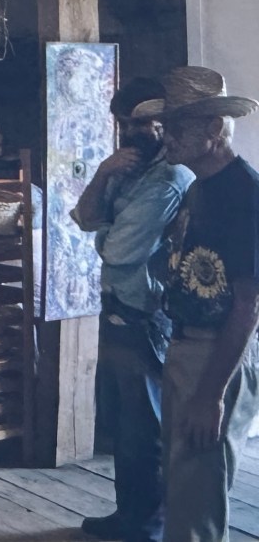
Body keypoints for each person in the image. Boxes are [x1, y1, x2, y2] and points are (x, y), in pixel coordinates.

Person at [128, 66, 259, 542]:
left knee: (197, 506)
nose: (167, 136)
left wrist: (211, 395)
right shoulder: (197, 187)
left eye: (178, 126)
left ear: (214, 128)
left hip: (216, 356)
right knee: (183, 492)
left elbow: (248, 306)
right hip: (184, 349)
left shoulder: (245, 195)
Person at [72, 78, 195, 542]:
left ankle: (147, 526)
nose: (132, 132)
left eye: (141, 123)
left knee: (146, 426)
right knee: (127, 425)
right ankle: (130, 515)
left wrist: (107, 231)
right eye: (125, 123)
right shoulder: (129, 167)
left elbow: (119, 251)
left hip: (146, 313)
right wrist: (103, 174)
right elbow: (86, 218)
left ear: (163, 122)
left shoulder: (169, 177)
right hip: (119, 306)